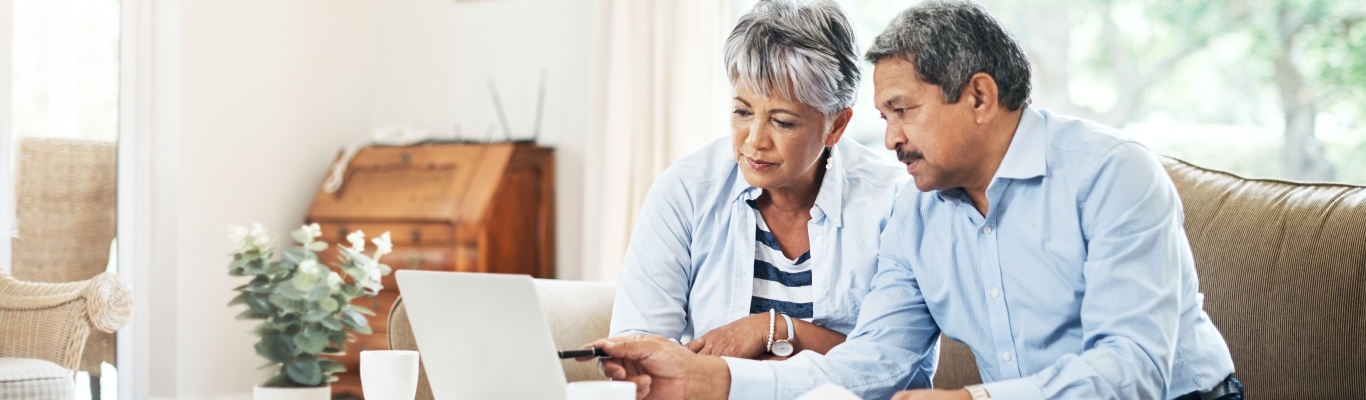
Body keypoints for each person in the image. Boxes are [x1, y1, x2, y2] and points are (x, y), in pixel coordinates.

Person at [585, 1, 1243, 400]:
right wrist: (723, 383)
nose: (890, 136)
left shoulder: (1112, 174)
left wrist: (974, 398)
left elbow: (1133, 373)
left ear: (979, 97)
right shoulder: (917, 211)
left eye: (903, 111)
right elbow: (872, 363)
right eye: (884, 114)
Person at [608, 0, 907, 365]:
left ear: (836, 125)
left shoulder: (892, 202)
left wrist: (773, 330)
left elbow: (900, 363)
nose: (753, 141)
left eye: (782, 122)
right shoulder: (685, 192)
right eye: (742, 112)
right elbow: (637, 349)